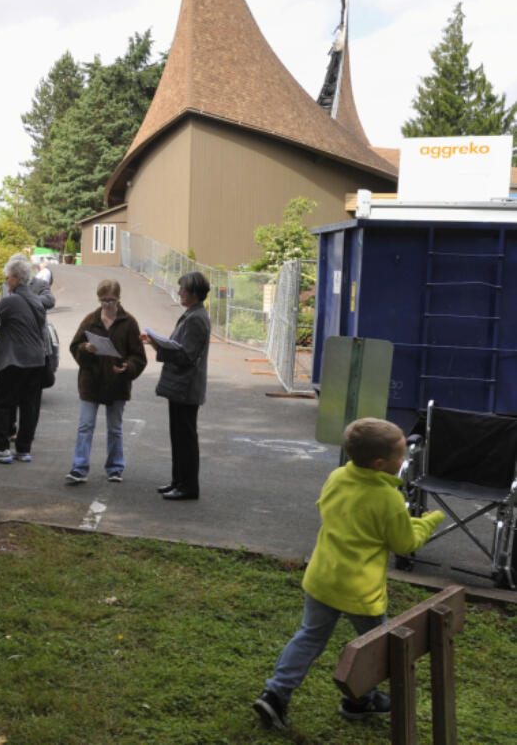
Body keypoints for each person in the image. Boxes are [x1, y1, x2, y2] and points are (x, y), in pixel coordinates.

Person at [252, 418, 445, 731]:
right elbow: (404, 542)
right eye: (401, 456)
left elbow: (324, 507)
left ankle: (275, 694)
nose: (405, 461)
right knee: (376, 648)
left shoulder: (338, 476)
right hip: (360, 591)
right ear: (381, 464)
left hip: (322, 578)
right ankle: (359, 700)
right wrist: (428, 521)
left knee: (309, 636)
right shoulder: (388, 498)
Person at [65, 279, 147, 484]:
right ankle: (79, 468)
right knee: (85, 425)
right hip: (90, 381)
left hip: (117, 382)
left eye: (110, 300)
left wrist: (128, 367)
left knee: (115, 428)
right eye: (103, 301)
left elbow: (139, 356)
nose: (106, 305)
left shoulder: (129, 323)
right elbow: (75, 346)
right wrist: (86, 348)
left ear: (119, 299)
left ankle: (115, 468)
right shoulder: (90, 320)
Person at [141, 271, 211, 501]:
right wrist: (156, 342)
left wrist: (158, 346)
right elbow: (179, 349)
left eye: (182, 289)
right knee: (178, 436)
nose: (179, 292)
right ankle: (178, 481)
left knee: (185, 438)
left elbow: (185, 356)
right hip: (182, 387)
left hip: (186, 387)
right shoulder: (192, 314)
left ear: (193, 293)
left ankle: (188, 486)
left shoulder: (196, 318)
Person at [0, 255, 48, 464]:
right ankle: (23, 449)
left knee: (2, 403)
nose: (5, 282)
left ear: (15, 278)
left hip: (14, 359)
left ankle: (1, 448)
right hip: (36, 359)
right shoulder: (35, 300)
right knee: (29, 406)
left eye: (7, 278)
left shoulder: (10, 301)